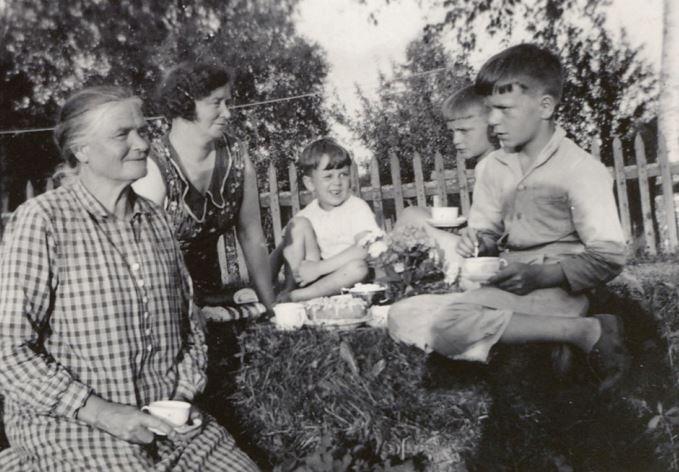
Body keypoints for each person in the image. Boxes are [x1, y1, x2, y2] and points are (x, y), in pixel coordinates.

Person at [0, 86, 258, 470]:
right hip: (77, 431)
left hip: (172, 429)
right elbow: (9, 350)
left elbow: (191, 329)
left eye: (142, 131)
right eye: (123, 134)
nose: (142, 144)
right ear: (81, 150)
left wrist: (181, 402)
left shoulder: (157, 221)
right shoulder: (43, 221)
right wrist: (104, 413)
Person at [389, 44, 630, 392]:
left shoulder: (581, 170)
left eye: (503, 109)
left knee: (448, 325)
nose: (492, 121)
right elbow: (486, 230)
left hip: (557, 290)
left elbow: (609, 256)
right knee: (402, 315)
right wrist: (479, 242)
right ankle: (571, 334)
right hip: (508, 284)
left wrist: (543, 274)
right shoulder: (495, 167)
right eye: (489, 110)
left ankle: (575, 329)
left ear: (545, 106)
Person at [133, 62, 274, 322]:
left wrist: (272, 309)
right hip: (160, 294)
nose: (228, 114)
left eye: (228, 103)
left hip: (211, 291)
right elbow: (140, 252)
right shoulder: (153, 165)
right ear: (185, 104)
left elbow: (252, 234)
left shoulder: (237, 156)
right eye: (216, 103)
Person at [393, 85, 496, 274]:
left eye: (464, 131)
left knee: (411, 217)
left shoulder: (494, 166)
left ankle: (397, 273)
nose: (456, 140)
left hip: (482, 259)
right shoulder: (487, 164)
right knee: (415, 212)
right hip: (478, 247)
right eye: (453, 132)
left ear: (493, 126)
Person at [273, 137, 380, 302]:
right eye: (328, 176)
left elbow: (364, 248)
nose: (337, 182)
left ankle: (298, 296)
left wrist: (318, 268)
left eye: (343, 174)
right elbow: (281, 252)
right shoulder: (307, 214)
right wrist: (261, 283)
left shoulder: (357, 207)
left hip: (350, 275)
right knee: (297, 225)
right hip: (317, 276)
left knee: (358, 267)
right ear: (310, 183)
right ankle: (290, 288)